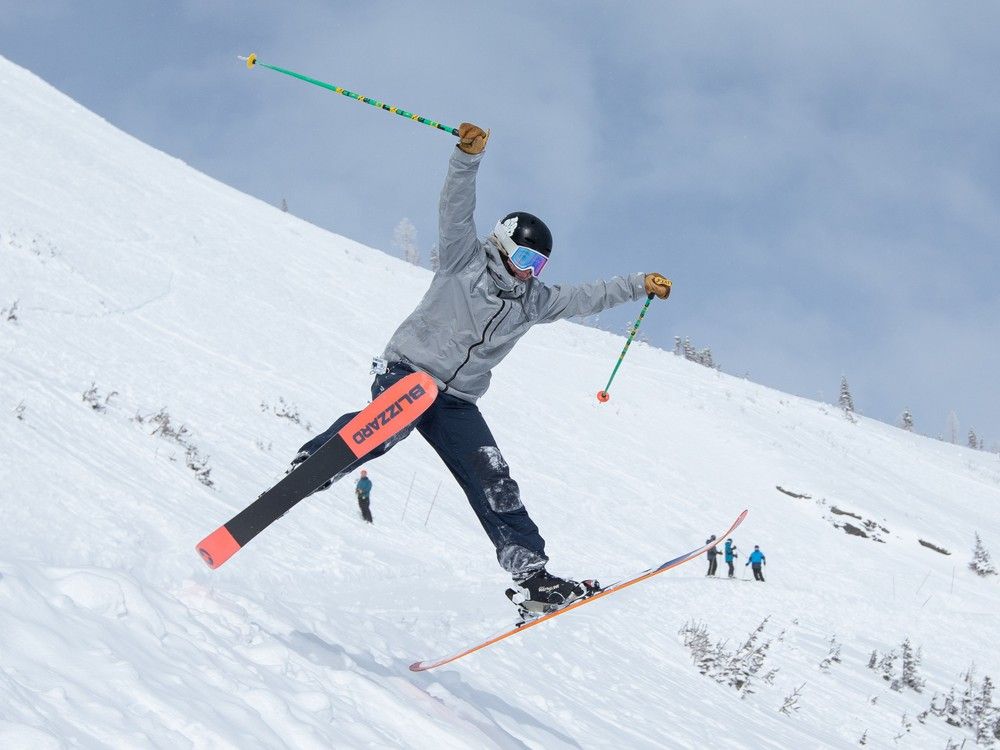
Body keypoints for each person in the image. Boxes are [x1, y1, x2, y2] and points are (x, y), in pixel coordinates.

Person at [290, 122, 672, 612]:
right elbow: (455, 208)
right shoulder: (463, 261)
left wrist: (639, 284)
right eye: (527, 258)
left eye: (539, 266)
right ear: (506, 244)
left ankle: (532, 578)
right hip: (410, 373)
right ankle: (316, 462)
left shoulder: (533, 301)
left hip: (456, 402)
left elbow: (586, 297)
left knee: (494, 476)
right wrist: (466, 158)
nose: (530, 272)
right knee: (390, 424)